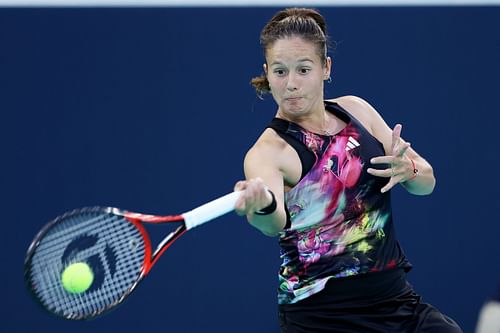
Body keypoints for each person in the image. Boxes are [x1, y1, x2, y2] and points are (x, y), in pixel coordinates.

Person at [233, 7, 462, 333]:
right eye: (281, 72)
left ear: (325, 68)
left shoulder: (357, 111)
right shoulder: (269, 151)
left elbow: (427, 181)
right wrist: (262, 205)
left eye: (304, 69)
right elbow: (272, 223)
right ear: (267, 73)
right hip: (323, 316)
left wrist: (408, 169)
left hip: (394, 300)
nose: (292, 84)